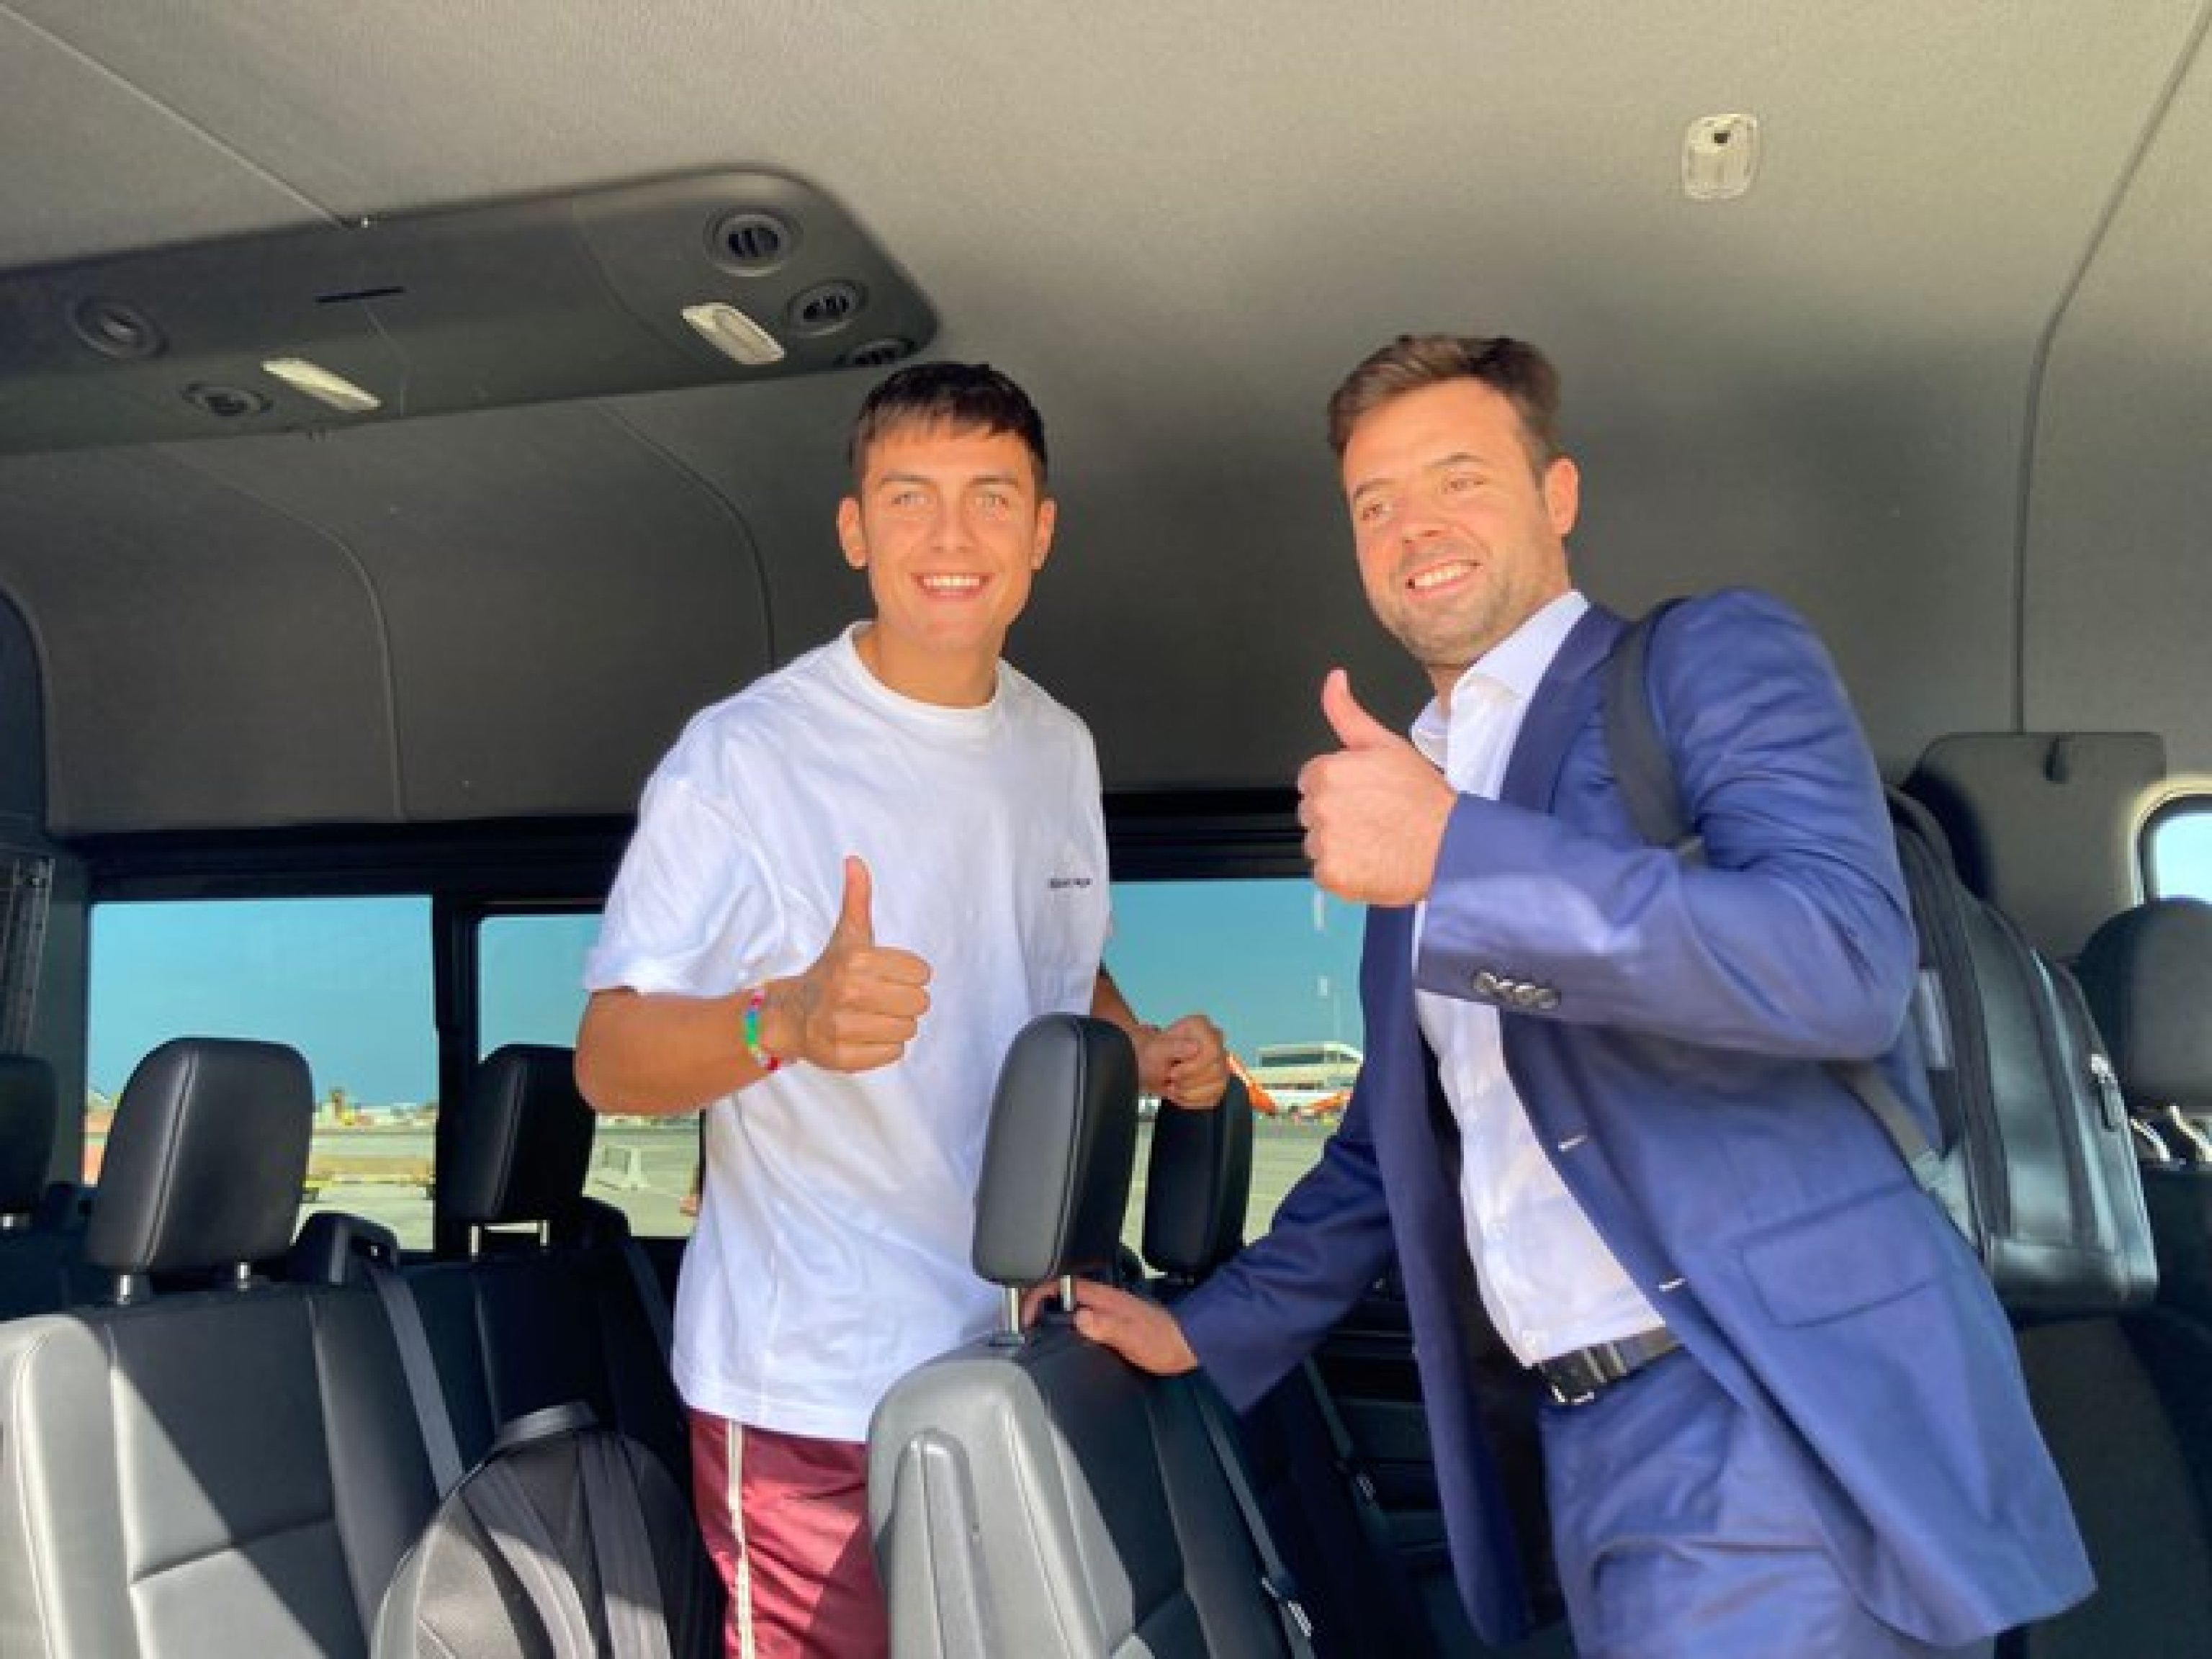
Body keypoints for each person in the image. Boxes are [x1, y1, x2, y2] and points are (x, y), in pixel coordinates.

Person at [1068, 335, 2090, 1658]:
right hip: (1576, 1440)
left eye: (1460, 479)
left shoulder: (1697, 664)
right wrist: (1199, 1334)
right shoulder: (1418, 788)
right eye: (1375, 504)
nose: (1415, 527)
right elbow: (1391, 1154)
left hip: (1765, 1413)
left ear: (1558, 496)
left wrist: (1458, 855)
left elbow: (1839, 963)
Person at [575, 361, 1228, 1659]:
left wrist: (1143, 1050)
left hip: (1016, 1355)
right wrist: (781, 1024)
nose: (951, 536)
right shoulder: (747, 756)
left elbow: (1056, 963)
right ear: (854, 530)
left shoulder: (1057, 745)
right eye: (910, 497)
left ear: (1041, 532)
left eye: (992, 497)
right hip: (817, 1383)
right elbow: (607, 1056)